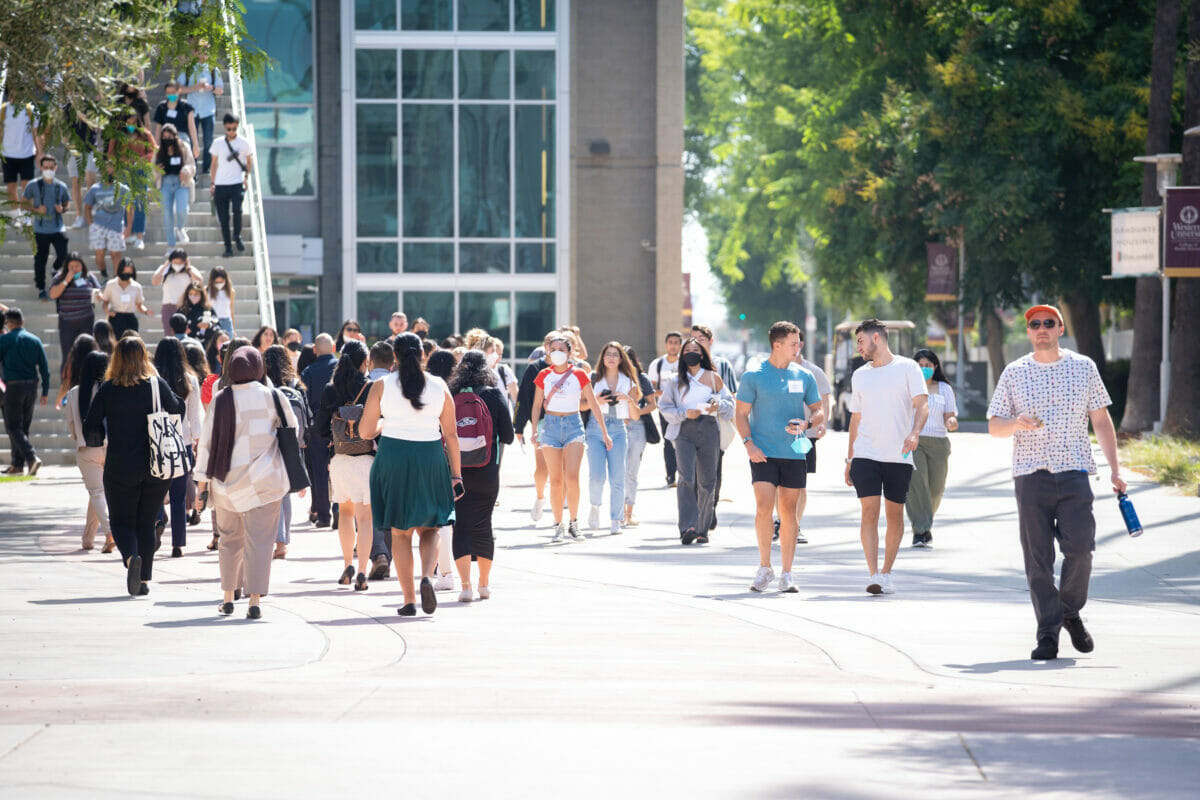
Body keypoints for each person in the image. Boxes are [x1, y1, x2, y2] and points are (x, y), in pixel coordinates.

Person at [988, 304, 1126, 661]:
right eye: (1035, 324)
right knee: (1038, 561)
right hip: (1031, 475)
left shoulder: (1084, 368)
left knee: (1080, 549)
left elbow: (1101, 419)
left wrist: (1115, 468)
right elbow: (994, 426)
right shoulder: (1014, 372)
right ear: (1029, 331)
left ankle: (1069, 610)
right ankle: (1047, 632)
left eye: (1049, 323)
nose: (1042, 329)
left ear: (1060, 327)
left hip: (1075, 471)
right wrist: (1015, 423)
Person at [359, 333, 462, 616]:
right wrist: (457, 475)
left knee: (400, 533)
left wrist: (384, 423)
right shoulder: (439, 385)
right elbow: (451, 435)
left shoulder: (381, 385)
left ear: (394, 356)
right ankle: (428, 577)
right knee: (430, 527)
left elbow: (365, 432)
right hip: (430, 457)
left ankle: (408, 601)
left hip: (393, 456)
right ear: (422, 354)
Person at [194, 347, 297, 620]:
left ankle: (228, 598)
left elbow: (206, 442)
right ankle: (254, 601)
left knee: (229, 541)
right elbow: (292, 429)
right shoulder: (273, 396)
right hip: (265, 482)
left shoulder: (221, 398)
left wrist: (201, 486)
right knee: (260, 542)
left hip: (227, 483)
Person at [83, 336, 185, 597]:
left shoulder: (108, 388)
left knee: (120, 521)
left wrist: (100, 440)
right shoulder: (155, 384)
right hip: (156, 465)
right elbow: (177, 410)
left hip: (120, 465)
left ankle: (131, 559)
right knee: (147, 521)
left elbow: (91, 426)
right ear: (144, 356)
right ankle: (144, 580)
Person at [736, 321, 824, 591]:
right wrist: (749, 444)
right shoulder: (754, 376)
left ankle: (787, 573)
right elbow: (740, 413)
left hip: (794, 453)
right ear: (778, 344)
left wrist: (808, 424)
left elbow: (818, 410)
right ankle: (765, 568)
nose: (799, 347)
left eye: (798, 343)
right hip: (763, 452)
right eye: (794, 343)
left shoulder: (804, 376)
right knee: (764, 507)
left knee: (788, 512)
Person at [843, 318, 929, 596]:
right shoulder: (860, 375)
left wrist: (915, 432)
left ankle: (887, 572)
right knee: (869, 512)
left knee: (894, 514)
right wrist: (850, 458)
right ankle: (873, 574)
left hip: (899, 454)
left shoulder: (907, 367)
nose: (859, 347)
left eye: (860, 341)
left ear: (876, 338)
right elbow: (855, 417)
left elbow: (922, 404)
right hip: (866, 453)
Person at [445, 351, 514, 601]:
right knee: (483, 524)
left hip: (456, 471)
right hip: (487, 471)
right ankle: (484, 584)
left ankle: (465, 586)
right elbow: (508, 435)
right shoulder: (494, 394)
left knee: (460, 526)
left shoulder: (451, 395)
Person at [530, 335, 611, 542]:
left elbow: (593, 403)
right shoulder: (543, 375)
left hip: (574, 425)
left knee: (572, 478)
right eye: (553, 348)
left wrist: (604, 432)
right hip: (550, 426)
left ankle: (574, 522)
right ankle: (558, 524)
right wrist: (534, 431)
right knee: (556, 480)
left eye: (561, 349)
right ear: (548, 351)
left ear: (569, 352)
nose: (557, 352)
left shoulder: (579, 374)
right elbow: (537, 405)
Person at [315, 340, 375, 590]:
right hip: (366, 458)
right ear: (364, 362)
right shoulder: (370, 388)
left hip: (340, 459)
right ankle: (362, 570)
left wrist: (335, 438)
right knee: (365, 518)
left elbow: (319, 428)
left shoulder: (331, 389)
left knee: (346, 515)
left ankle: (348, 565)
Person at [660, 337, 732, 544]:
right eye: (687, 350)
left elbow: (729, 402)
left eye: (695, 350)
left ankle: (702, 529)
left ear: (702, 354)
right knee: (686, 477)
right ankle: (687, 527)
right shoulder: (675, 381)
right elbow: (665, 407)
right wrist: (684, 413)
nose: (691, 353)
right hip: (684, 430)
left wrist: (717, 405)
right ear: (683, 356)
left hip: (709, 429)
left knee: (708, 480)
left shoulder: (713, 377)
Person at [153, 337, 202, 558]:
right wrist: (196, 441)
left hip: (156, 440)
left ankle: (158, 521)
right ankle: (178, 544)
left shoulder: (153, 379)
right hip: (182, 441)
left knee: (154, 491)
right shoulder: (190, 380)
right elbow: (194, 417)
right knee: (179, 495)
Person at [586, 342, 642, 534]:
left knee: (618, 477)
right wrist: (597, 401)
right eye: (607, 354)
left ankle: (616, 519)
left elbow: (635, 416)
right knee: (596, 476)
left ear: (621, 359)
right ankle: (594, 506)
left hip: (619, 428)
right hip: (595, 427)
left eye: (615, 355)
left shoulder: (629, 382)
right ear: (602, 357)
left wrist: (628, 400)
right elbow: (581, 406)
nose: (611, 358)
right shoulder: (593, 378)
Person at [906, 349, 958, 548]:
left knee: (936, 490)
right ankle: (920, 531)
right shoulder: (907, 387)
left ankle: (924, 523)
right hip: (914, 441)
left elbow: (949, 415)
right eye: (920, 365)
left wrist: (951, 421)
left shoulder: (944, 388)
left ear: (935, 367)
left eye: (928, 365)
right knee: (917, 486)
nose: (924, 369)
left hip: (939, 443)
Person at [264, 344, 311, 560]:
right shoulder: (296, 385)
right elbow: (307, 417)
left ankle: (279, 540)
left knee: (276, 492)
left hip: (271, 441)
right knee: (285, 492)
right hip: (293, 442)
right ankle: (284, 540)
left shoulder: (264, 385)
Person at [691, 325, 738, 529]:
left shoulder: (723, 365)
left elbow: (732, 396)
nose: (696, 342)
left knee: (713, 472)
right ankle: (697, 514)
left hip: (716, 425)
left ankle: (710, 508)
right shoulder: (684, 365)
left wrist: (719, 405)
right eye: (692, 339)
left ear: (710, 341)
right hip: (690, 425)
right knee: (691, 473)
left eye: (701, 338)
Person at [66, 350, 114, 552]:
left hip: (87, 449)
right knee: (97, 493)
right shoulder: (111, 390)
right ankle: (88, 539)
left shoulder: (74, 392)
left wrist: (77, 435)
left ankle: (110, 532)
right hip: (110, 448)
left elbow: (70, 423)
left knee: (96, 492)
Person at [0, 308, 50, 476]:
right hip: (32, 387)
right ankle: (17, 465)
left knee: (13, 426)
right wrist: (45, 391)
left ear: (9, 322)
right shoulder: (35, 340)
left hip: (14, 387)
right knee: (23, 428)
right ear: (22, 321)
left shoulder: (5, 339)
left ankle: (31, 457)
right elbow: (44, 368)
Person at [514, 331, 556, 521]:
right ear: (545, 345)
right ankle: (540, 497)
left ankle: (559, 510)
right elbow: (524, 397)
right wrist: (519, 426)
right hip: (542, 421)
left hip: (567, 421)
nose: (554, 348)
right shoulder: (534, 368)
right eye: (549, 343)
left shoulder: (571, 369)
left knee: (562, 467)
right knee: (542, 467)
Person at [300, 334, 338, 527]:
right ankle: (340, 512)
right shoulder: (340, 367)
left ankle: (324, 515)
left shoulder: (308, 371)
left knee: (319, 471)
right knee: (340, 467)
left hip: (316, 425)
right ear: (333, 348)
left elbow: (304, 399)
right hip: (340, 423)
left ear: (315, 350)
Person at [107, 108, 156, 251]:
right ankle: (127, 232)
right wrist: (122, 160)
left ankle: (139, 235)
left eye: (134, 122)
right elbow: (110, 154)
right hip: (123, 171)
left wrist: (142, 160)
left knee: (140, 202)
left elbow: (154, 151)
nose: (131, 124)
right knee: (126, 202)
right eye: (128, 122)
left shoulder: (145, 134)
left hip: (140, 171)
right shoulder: (117, 135)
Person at [23, 154, 71, 300]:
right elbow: (23, 202)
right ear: (40, 167)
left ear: (56, 168)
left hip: (58, 228)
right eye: (46, 167)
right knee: (40, 260)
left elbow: (67, 204)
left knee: (64, 255)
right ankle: (41, 288)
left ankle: (55, 269)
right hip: (40, 229)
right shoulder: (33, 185)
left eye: (51, 167)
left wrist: (62, 209)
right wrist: (36, 210)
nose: (49, 170)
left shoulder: (61, 186)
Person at [622, 345, 657, 527]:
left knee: (632, 470)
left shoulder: (642, 379)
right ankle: (618, 511)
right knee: (618, 470)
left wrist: (636, 412)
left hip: (637, 428)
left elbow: (653, 404)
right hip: (617, 426)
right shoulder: (613, 379)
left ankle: (629, 511)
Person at [48, 253, 102, 373]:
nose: (74, 269)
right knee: (68, 354)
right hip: (67, 322)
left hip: (86, 320)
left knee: (87, 352)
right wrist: (66, 281)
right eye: (71, 267)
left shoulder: (89, 277)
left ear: (82, 265)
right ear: (66, 267)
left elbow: (98, 291)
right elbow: (53, 294)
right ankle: (66, 383)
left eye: (77, 266)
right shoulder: (59, 277)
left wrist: (98, 295)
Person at [209, 113, 252, 258]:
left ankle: (237, 235)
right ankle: (228, 248)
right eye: (229, 129)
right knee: (224, 218)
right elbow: (213, 164)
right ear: (224, 127)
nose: (232, 131)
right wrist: (212, 183)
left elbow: (249, 161)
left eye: (234, 128)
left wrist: (246, 177)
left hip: (236, 183)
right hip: (221, 184)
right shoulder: (218, 143)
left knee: (237, 210)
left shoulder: (244, 142)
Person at [176, 53, 223, 175]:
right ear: (195, 52)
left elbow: (220, 90)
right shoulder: (188, 68)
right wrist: (195, 87)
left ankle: (206, 167)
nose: (205, 53)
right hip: (192, 109)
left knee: (208, 141)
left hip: (208, 110)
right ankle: (194, 170)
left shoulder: (213, 69)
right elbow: (178, 89)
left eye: (207, 49)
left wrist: (211, 88)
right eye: (202, 49)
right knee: (192, 141)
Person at [648, 331, 683, 487]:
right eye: (670, 342)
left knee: (683, 440)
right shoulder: (658, 364)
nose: (673, 345)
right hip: (666, 409)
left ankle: (684, 473)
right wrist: (662, 393)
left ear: (680, 345)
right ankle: (670, 475)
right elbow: (650, 388)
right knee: (668, 440)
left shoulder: (685, 363)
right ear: (666, 344)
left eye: (676, 342)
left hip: (683, 408)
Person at [82, 171, 132, 279]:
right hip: (98, 226)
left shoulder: (124, 189)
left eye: (112, 170)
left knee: (116, 255)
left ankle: (115, 278)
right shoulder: (95, 188)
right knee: (99, 255)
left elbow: (130, 209)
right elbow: (87, 207)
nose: (110, 173)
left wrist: (128, 228)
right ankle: (103, 273)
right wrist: (91, 224)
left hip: (117, 226)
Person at [154, 122, 196, 248]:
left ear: (175, 136)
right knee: (167, 215)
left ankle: (181, 227)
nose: (167, 140)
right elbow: (152, 169)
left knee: (182, 209)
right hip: (165, 183)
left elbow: (192, 164)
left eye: (170, 137)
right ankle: (171, 246)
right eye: (164, 137)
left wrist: (187, 171)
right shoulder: (159, 150)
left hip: (181, 182)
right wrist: (156, 169)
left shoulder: (184, 147)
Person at [1, 98, 41, 224]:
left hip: (27, 153)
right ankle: (15, 215)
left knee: (27, 186)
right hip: (7, 154)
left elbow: (37, 132)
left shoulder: (31, 109)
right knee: (11, 186)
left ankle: (26, 214)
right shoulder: (3, 109)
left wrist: (40, 152)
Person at [99, 258, 154, 338]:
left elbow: (139, 305)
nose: (126, 274)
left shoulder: (137, 287)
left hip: (130, 319)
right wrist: (107, 310)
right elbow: (105, 302)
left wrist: (146, 311)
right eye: (125, 271)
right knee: (115, 345)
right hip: (115, 318)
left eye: (129, 272)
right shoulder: (111, 284)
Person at [151, 81, 200, 158]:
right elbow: (158, 128)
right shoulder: (161, 107)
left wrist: (195, 144)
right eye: (168, 92)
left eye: (173, 92)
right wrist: (156, 144)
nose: (171, 95)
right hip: (166, 138)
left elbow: (192, 127)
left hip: (182, 138)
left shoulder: (186, 107)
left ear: (179, 91)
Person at [55, 332, 98, 410]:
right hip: (93, 399)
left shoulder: (73, 363)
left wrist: (59, 399)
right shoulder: (96, 362)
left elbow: (66, 383)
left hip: (76, 399)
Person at [207, 267, 235, 335]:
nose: (219, 284)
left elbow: (231, 309)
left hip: (226, 321)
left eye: (221, 282)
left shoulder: (230, 291)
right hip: (213, 320)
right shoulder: (207, 290)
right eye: (216, 282)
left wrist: (234, 329)